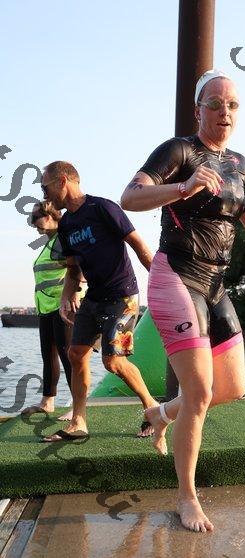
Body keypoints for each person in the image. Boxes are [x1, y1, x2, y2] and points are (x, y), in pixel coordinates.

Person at [120, 69, 245, 532]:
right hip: (176, 275)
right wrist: (183, 187)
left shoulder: (240, 165)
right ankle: (186, 496)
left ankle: (160, 413)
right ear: (198, 109)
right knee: (200, 392)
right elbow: (130, 196)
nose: (225, 112)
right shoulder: (179, 151)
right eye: (215, 103)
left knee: (232, 389)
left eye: (232, 105)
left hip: (216, 284)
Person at [40, 161, 158, 442]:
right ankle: (79, 422)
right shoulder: (66, 224)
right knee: (76, 353)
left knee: (112, 362)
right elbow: (73, 269)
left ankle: (152, 407)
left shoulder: (103, 208)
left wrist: (163, 284)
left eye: (46, 187)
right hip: (94, 297)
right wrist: (67, 296)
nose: (45, 195)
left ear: (63, 181)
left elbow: (138, 245)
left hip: (123, 295)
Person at [21, 201, 73, 420]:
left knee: (69, 356)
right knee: (48, 354)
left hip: (63, 307)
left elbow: (78, 268)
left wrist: (72, 296)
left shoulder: (63, 239)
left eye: (36, 218)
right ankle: (47, 401)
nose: (33, 223)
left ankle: (78, 406)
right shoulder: (50, 242)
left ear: (51, 215)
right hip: (46, 308)